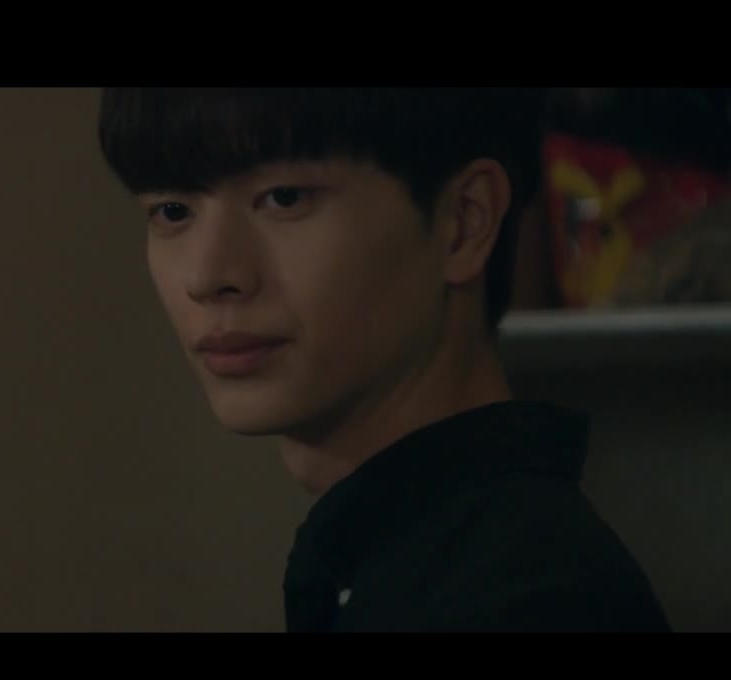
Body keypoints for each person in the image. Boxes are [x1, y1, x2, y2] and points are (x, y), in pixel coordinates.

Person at [96, 88, 671, 632]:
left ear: (464, 221)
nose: (208, 276)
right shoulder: (403, 567)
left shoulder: (523, 596)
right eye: (172, 211)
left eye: (285, 198)